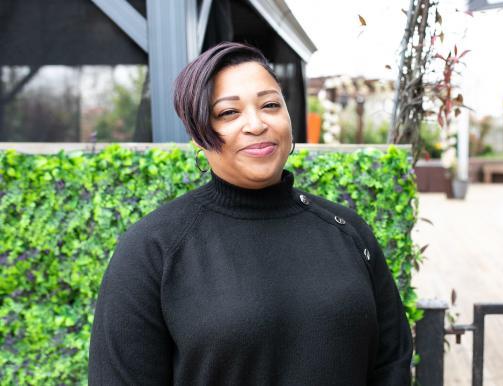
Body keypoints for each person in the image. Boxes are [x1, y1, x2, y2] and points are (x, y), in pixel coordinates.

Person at [88, 42, 413, 385]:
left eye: (270, 105)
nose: (256, 124)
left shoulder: (347, 230)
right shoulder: (152, 249)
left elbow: (391, 361)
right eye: (228, 112)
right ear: (199, 136)